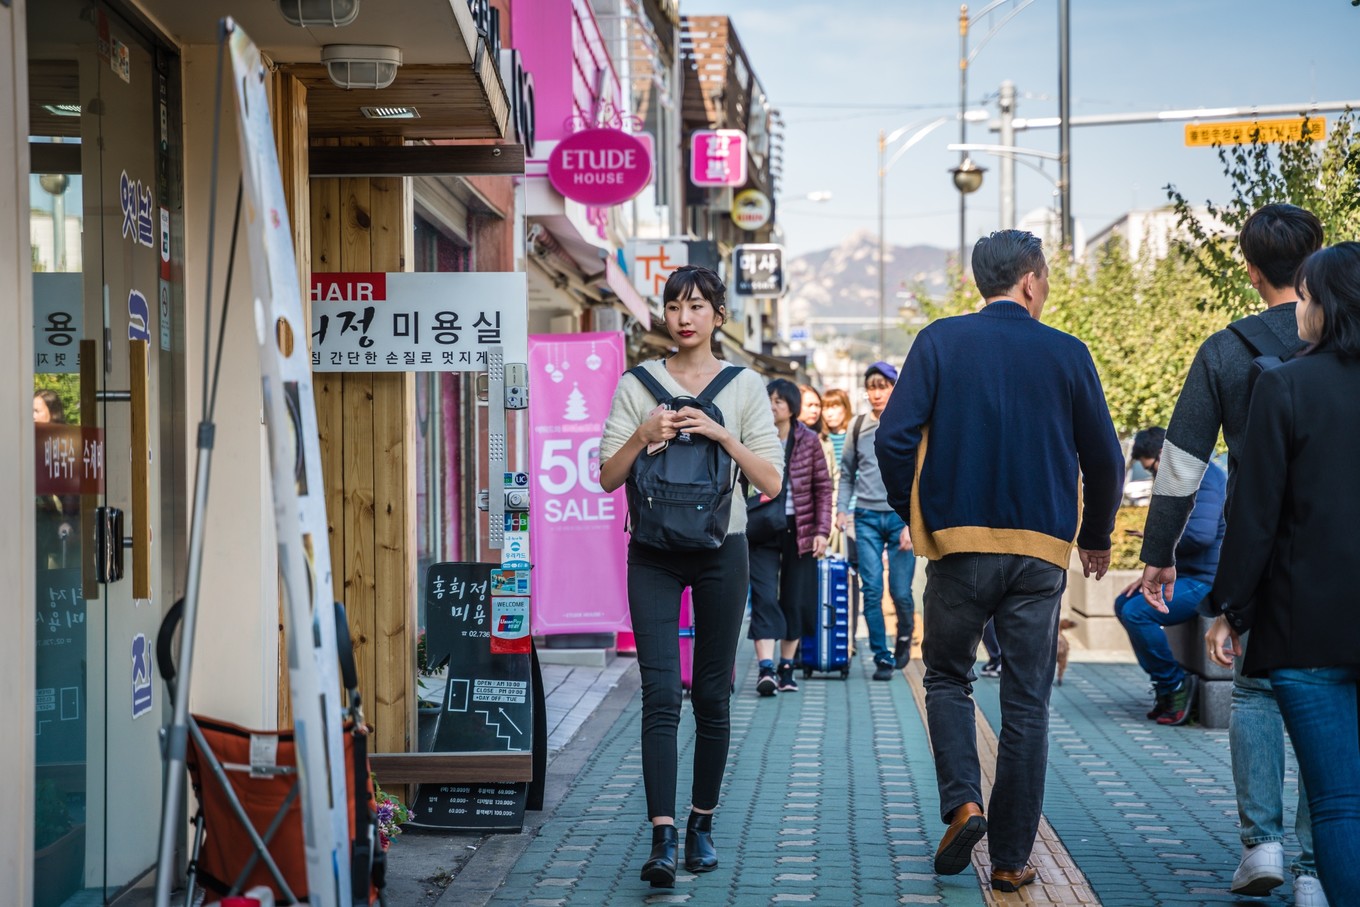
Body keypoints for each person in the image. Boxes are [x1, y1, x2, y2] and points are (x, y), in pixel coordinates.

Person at [875, 229, 1125, 893]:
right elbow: (1104, 457)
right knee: (1027, 702)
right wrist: (1095, 532)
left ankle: (963, 804)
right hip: (1040, 554)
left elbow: (893, 438)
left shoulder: (938, 341)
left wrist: (914, 511)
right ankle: (1012, 858)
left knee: (948, 675)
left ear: (981, 282)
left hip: (957, 547)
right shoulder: (1068, 353)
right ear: (1032, 281)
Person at [1138, 204, 1324, 904]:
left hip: (1258, 546)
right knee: (1332, 695)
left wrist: (1158, 554)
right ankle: (1314, 867)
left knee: (1256, 687)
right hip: (1338, 546)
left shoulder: (1227, 348)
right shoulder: (1346, 341)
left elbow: (1182, 464)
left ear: (1248, 270)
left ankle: (1262, 843)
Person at [598, 265, 783, 889]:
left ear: (718, 316)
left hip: (721, 550)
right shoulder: (636, 384)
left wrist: (720, 435)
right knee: (659, 695)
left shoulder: (746, 386)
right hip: (650, 551)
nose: (685, 316)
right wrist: (645, 433)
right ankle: (662, 836)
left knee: (711, 693)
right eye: (675, 305)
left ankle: (701, 821)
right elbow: (606, 476)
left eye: (698, 305)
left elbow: (771, 481)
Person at [1205, 242, 1360, 907]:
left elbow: (1254, 515)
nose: (1298, 307)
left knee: (1338, 803)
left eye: (1305, 295)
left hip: (1307, 630)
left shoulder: (1285, 384)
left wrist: (1231, 608)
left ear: (1326, 305)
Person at [1114, 427, 1226, 724]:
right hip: (1186, 575)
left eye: (1152, 467)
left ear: (1164, 454)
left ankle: (1173, 684)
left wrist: (1160, 549)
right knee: (1123, 603)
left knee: (1138, 612)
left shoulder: (1205, 477)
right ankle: (1166, 685)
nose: (1153, 475)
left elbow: (1200, 536)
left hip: (1207, 581)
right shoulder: (1184, 478)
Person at [748, 378, 833, 695]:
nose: (772, 405)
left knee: (795, 599)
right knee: (764, 595)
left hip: (801, 529)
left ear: (791, 406)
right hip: (760, 527)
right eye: (768, 399)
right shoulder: (753, 435)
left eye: (778, 400)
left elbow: (823, 489)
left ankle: (787, 666)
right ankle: (765, 668)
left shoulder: (808, 440)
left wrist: (822, 531)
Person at [836, 362, 916, 681]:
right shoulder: (857, 427)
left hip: (901, 519)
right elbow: (846, 474)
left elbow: (921, 477)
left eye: (883, 385)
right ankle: (882, 657)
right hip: (865, 518)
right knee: (871, 588)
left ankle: (906, 633)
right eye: (871, 386)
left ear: (896, 388)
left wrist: (913, 522)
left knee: (899, 591)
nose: (877, 392)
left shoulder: (909, 426)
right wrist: (842, 509)